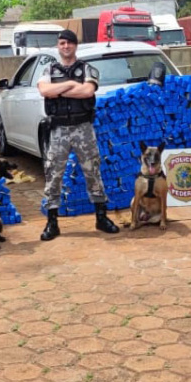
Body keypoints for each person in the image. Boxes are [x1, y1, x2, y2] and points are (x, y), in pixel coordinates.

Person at [37, 29, 119, 241]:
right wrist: (72, 85)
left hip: (83, 128)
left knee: (92, 171)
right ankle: (52, 222)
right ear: (58, 46)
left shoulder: (87, 69)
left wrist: (59, 90)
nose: (66, 46)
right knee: (54, 174)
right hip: (59, 130)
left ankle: (101, 217)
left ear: (75, 45)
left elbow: (87, 92)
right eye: (62, 43)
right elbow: (45, 91)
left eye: (69, 43)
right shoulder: (48, 69)